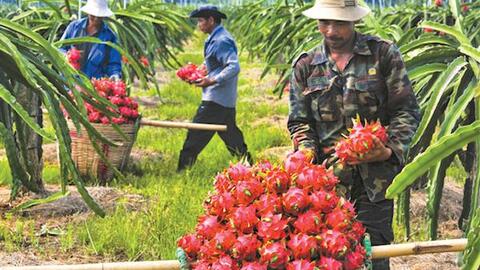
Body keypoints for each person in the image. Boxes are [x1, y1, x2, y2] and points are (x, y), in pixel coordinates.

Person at [288, 0, 420, 269]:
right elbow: (299, 121)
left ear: (354, 20)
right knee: (328, 257)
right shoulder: (306, 65)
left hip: (376, 181)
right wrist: (305, 150)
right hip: (324, 185)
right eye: (325, 22)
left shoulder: (383, 55)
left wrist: (388, 149)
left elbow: (406, 111)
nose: (331, 31)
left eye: (339, 23)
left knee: (375, 255)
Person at [177, 6, 252, 171]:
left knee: (195, 134)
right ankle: (249, 165)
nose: (198, 25)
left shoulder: (221, 41)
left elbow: (233, 67)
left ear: (211, 20)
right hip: (224, 99)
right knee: (231, 135)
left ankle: (182, 171)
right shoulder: (215, 38)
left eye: (201, 20)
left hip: (215, 99)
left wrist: (212, 80)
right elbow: (214, 62)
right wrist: (200, 71)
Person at [60, 0, 122, 79]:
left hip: (92, 86)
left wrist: (115, 76)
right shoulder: (74, 27)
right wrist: (66, 55)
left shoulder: (109, 37)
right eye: (93, 14)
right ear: (88, 12)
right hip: (69, 82)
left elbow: (113, 64)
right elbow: (60, 48)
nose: (96, 18)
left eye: (99, 15)